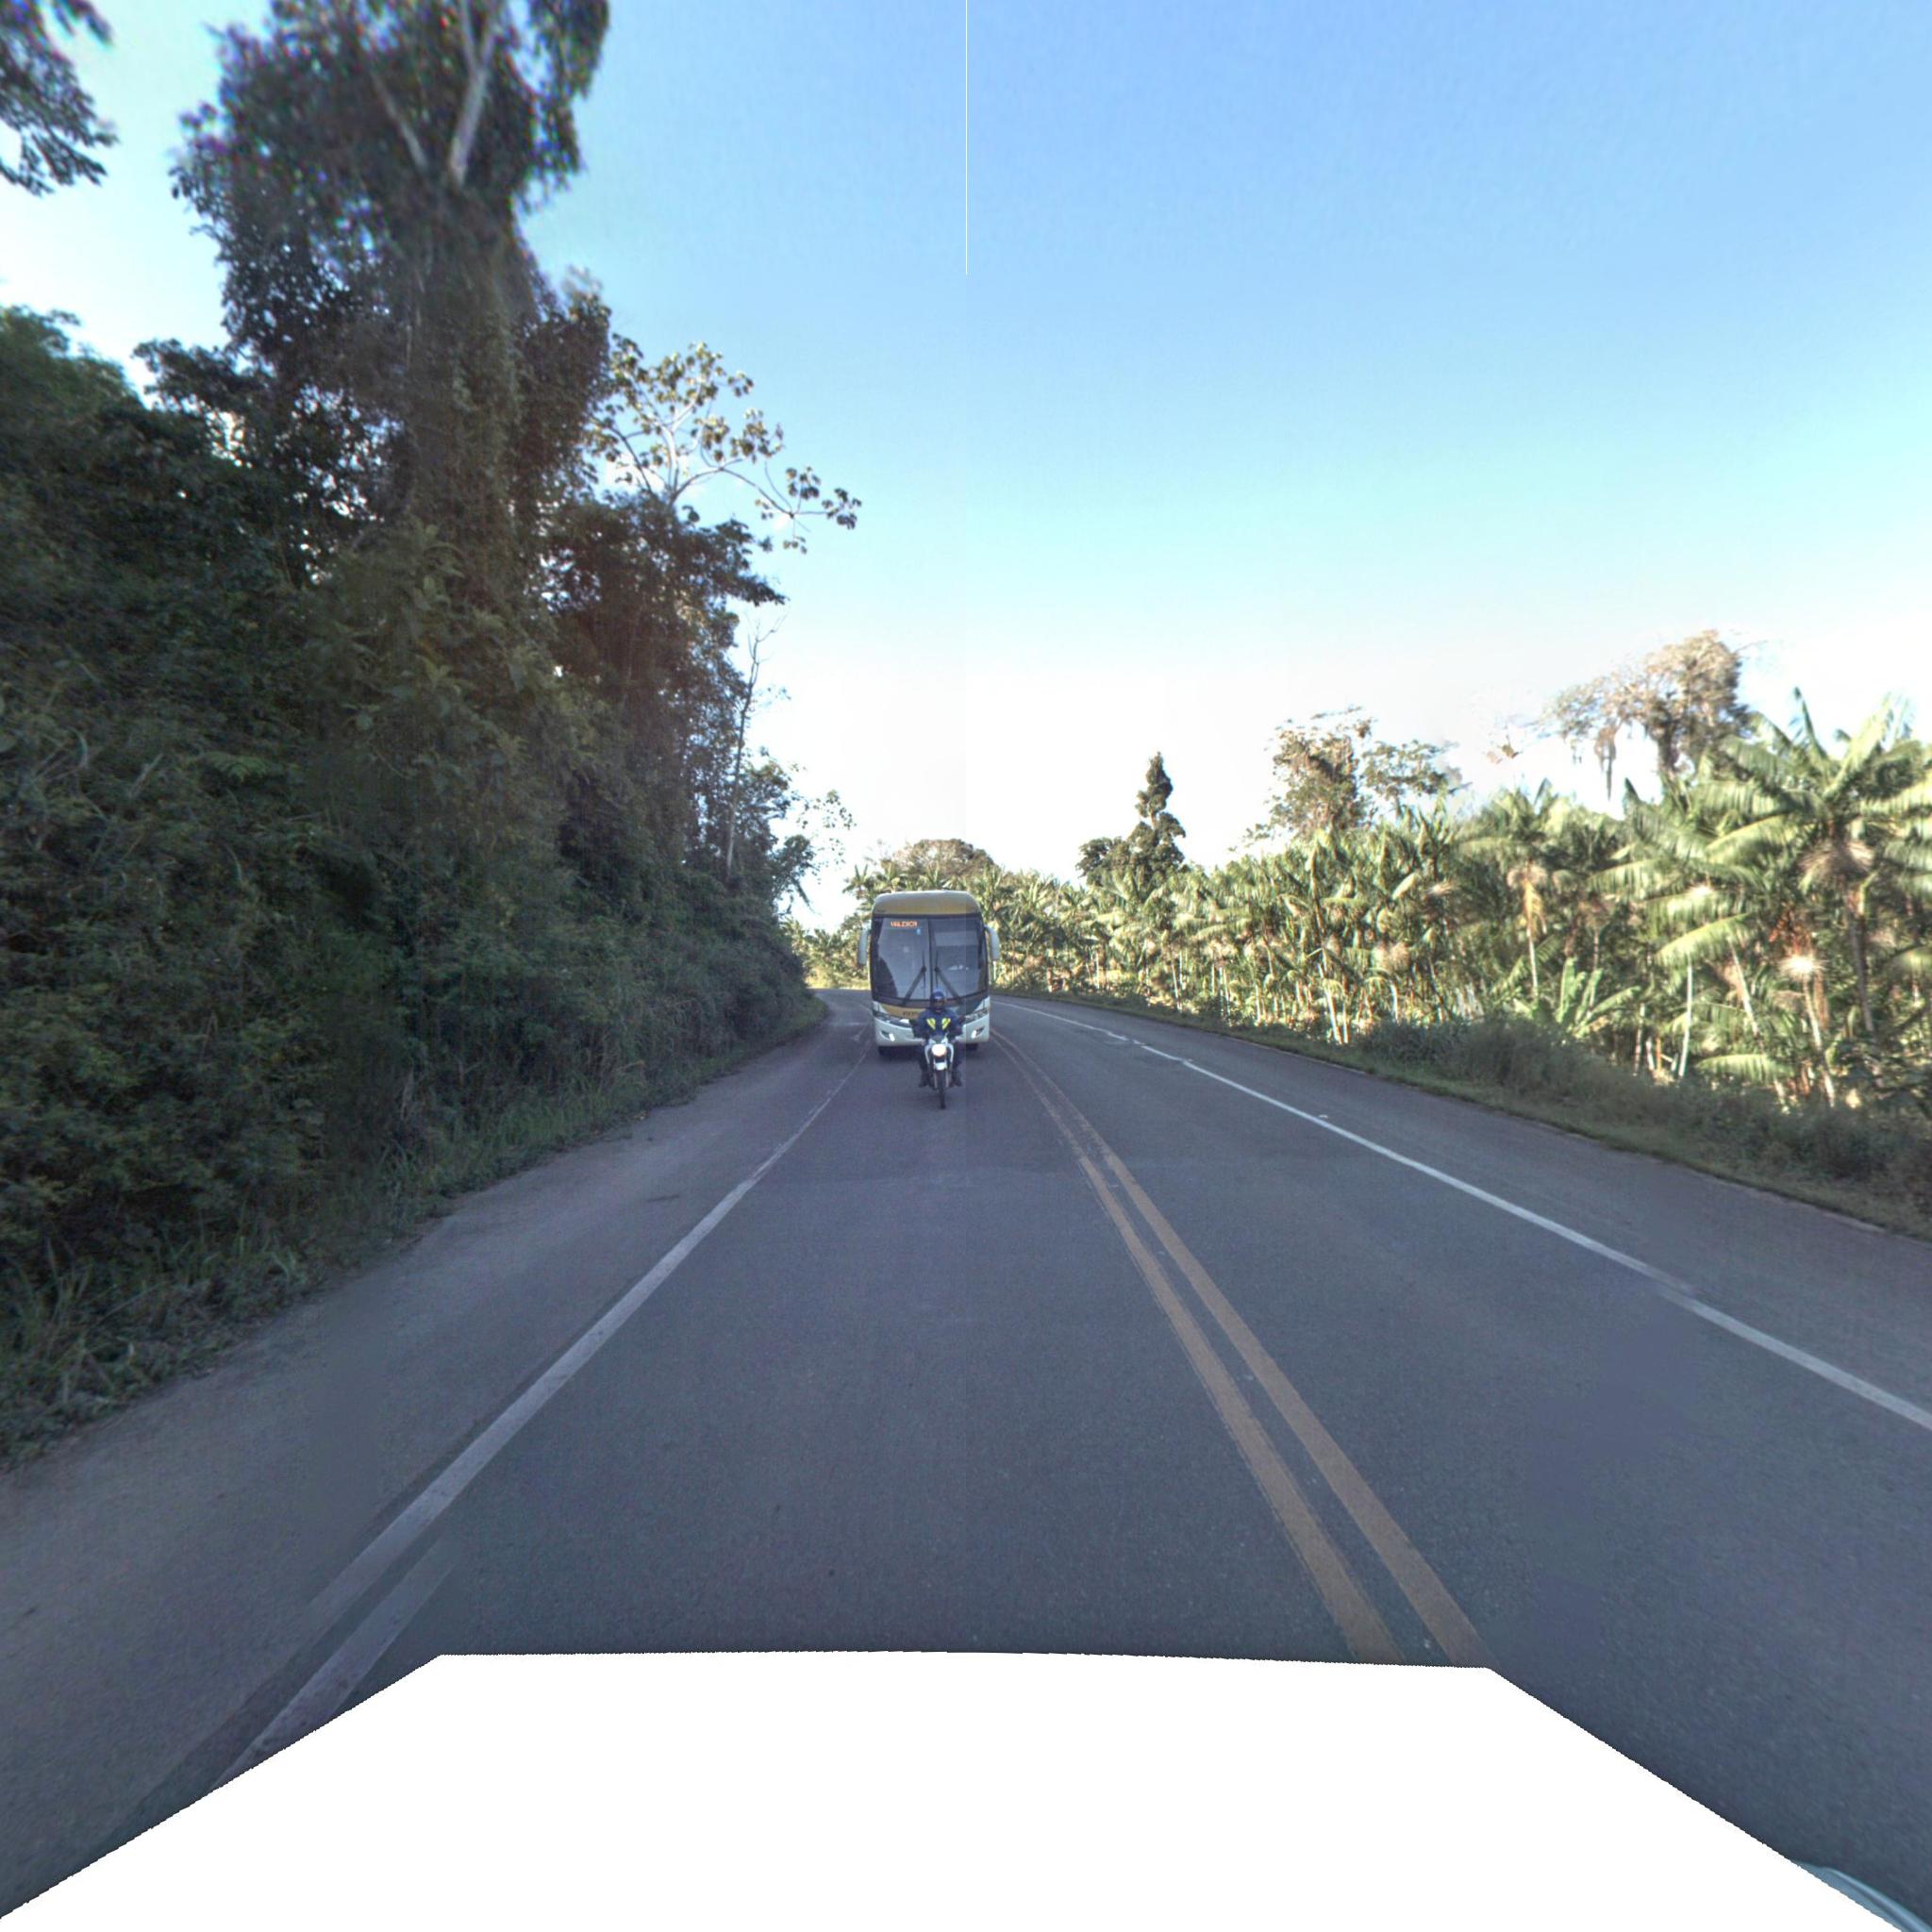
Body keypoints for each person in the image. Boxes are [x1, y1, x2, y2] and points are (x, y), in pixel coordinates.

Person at [911, 991, 963, 1088]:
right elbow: (919, 1025)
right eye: (935, 1002)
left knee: (958, 1046)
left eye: (940, 1002)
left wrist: (957, 1028)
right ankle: (925, 1073)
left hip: (947, 1039)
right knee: (920, 1049)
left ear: (944, 1002)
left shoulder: (950, 1013)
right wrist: (917, 1029)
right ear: (931, 1002)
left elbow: (956, 1023)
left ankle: (955, 1071)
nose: (938, 1004)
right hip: (930, 1040)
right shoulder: (925, 1014)